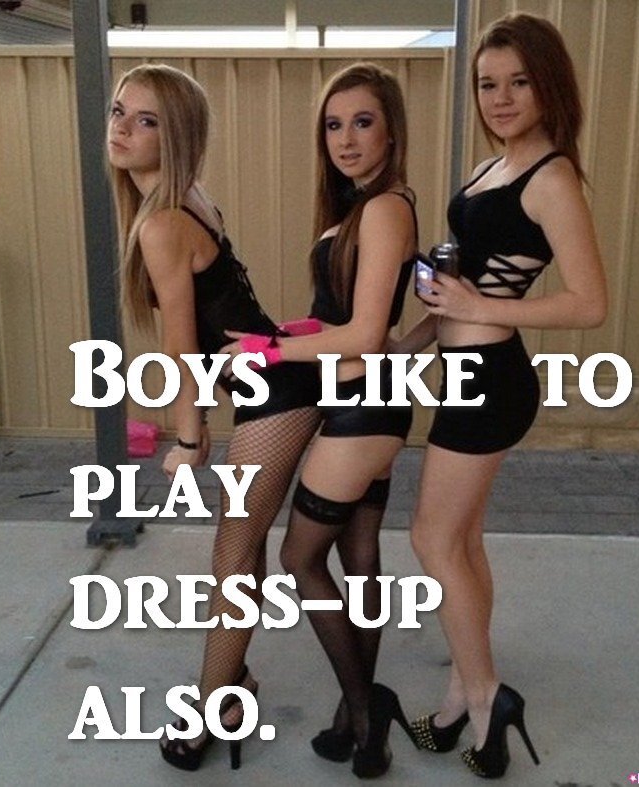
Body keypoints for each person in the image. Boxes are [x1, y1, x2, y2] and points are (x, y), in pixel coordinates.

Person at [398, 13, 608, 779]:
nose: (501, 97)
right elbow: (466, 285)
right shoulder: (496, 165)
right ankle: (463, 689)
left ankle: (487, 697)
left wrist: (478, 306)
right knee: (463, 541)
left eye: (519, 81)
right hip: (462, 370)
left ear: (549, 85)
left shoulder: (550, 176)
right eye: (488, 84)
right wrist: (410, 341)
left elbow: (589, 303)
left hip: (491, 382)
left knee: (432, 539)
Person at [106, 63, 322, 772]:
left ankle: (211, 706)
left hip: (279, 392)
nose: (122, 128)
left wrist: (189, 436)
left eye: (146, 120)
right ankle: (233, 688)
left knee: (231, 555)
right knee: (242, 549)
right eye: (118, 111)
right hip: (269, 379)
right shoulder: (181, 200)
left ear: (176, 137)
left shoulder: (162, 222)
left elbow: (180, 344)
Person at [222, 62, 418, 778]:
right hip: (365, 400)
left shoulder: (386, 208)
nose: (346, 139)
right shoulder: (365, 207)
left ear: (392, 131)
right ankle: (355, 715)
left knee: (299, 559)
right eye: (334, 125)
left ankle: (367, 710)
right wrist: (288, 332)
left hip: (365, 406)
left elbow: (364, 334)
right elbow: (350, 319)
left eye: (363, 122)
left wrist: (269, 350)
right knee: (358, 557)